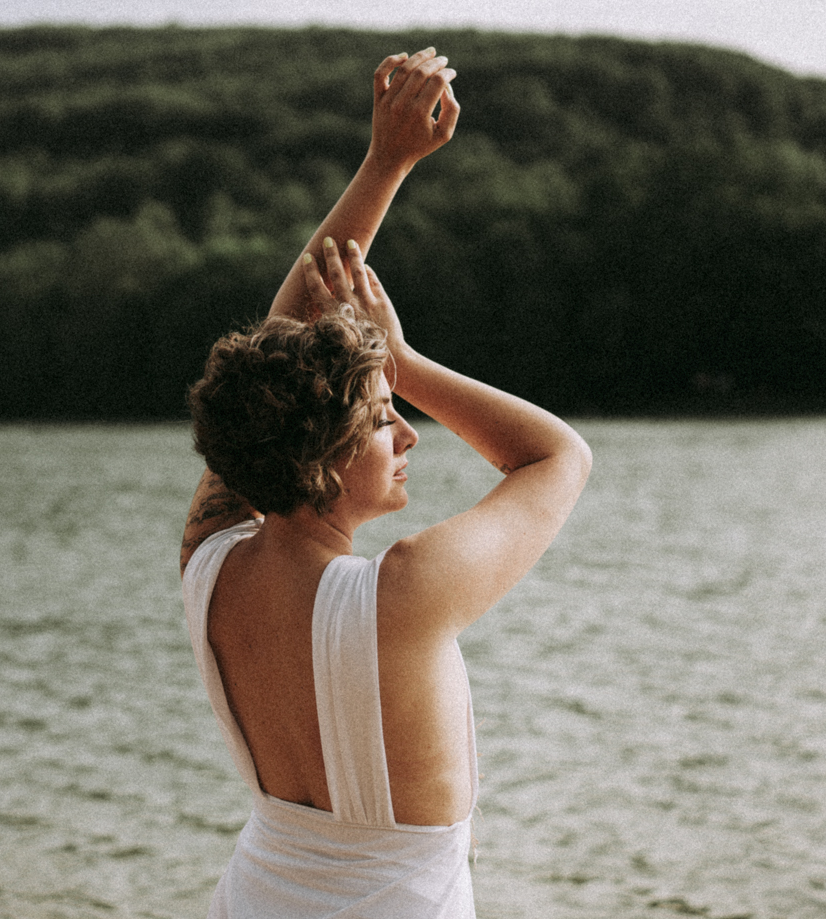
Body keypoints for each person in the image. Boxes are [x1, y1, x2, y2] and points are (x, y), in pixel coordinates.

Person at [180, 48, 592, 918]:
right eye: (380, 417)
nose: (408, 430)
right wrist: (402, 362)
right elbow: (557, 456)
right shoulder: (402, 597)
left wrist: (386, 163)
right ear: (321, 461)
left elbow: (277, 341)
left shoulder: (209, 564)